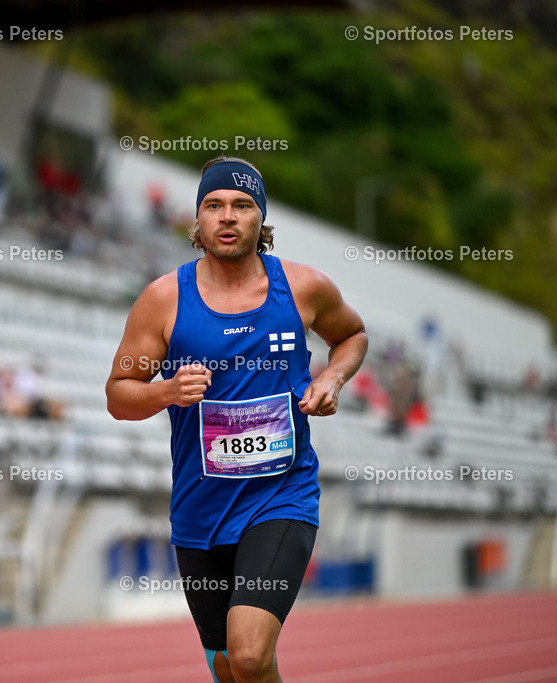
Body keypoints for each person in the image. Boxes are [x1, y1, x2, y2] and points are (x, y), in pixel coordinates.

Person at [106, 157, 368, 683]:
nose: (228, 216)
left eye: (242, 205)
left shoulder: (303, 289)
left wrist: (332, 379)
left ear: (260, 220)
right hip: (200, 511)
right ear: (198, 222)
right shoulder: (163, 300)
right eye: (214, 205)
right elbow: (118, 394)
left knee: (248, 652)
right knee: (228, 667)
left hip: (281, 496)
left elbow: (352, 336)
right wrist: (165, 391)